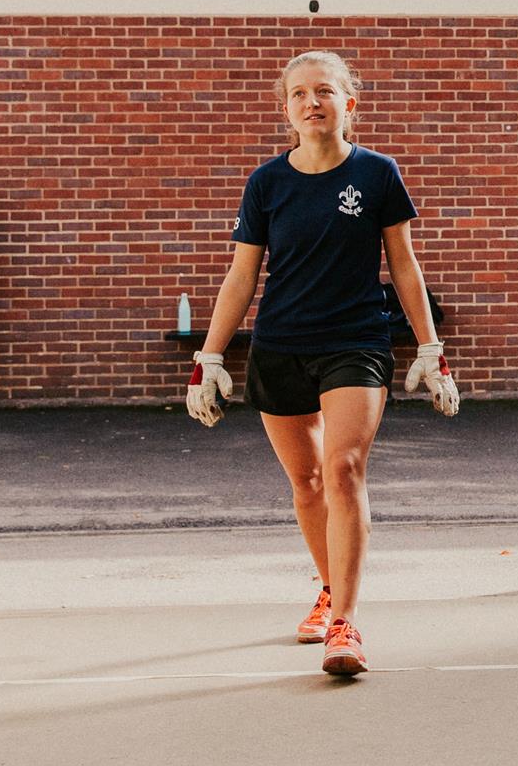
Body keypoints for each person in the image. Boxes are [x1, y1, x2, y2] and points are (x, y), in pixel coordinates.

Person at [184, 51, 459, 680]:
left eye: (326, 91)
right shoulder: (267, 184)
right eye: (300, 94)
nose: (313, 102)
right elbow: (242, 273)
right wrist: (209, 355)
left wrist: (429, 348)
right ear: (286, 109)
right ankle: (330, 590)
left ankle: (346, 622)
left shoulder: (379, 174)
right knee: (306, 484)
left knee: (343, 469)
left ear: (348, 103)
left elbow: (404, 266)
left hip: (356, 342)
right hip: (280, 345)